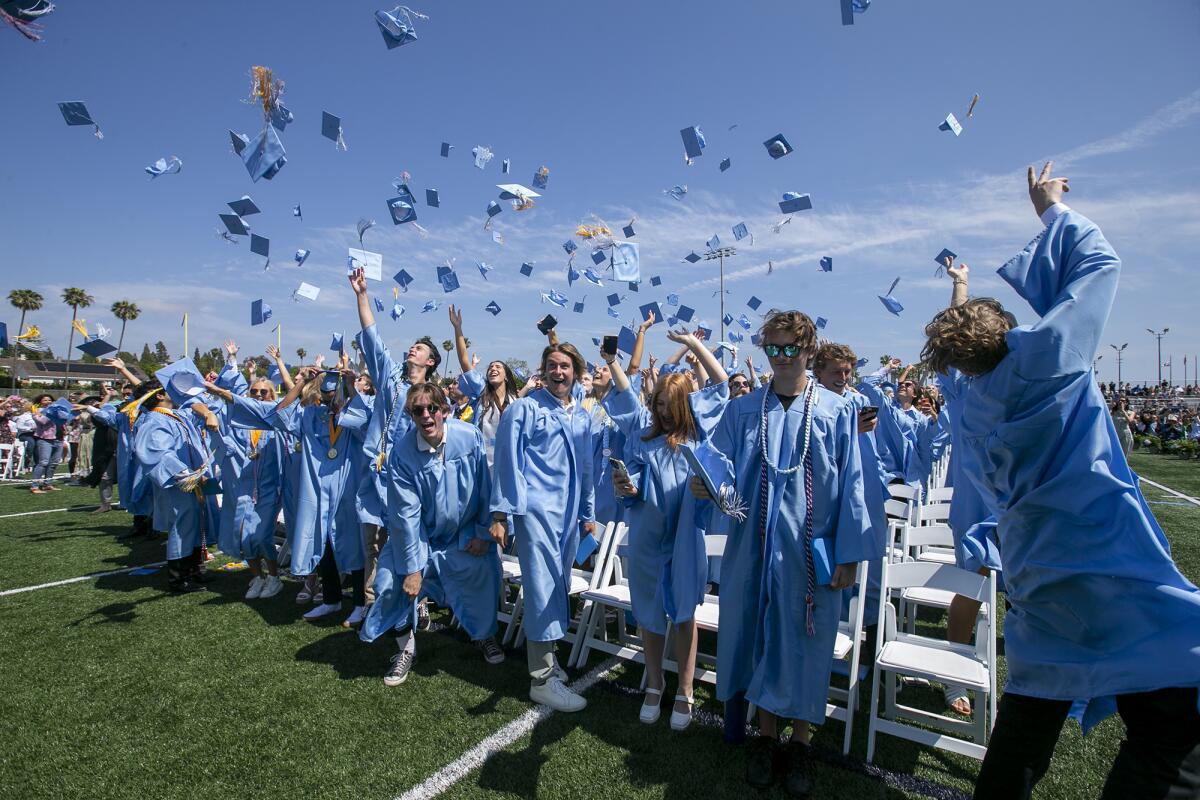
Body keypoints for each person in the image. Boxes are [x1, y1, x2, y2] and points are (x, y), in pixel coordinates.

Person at [922, 162, 1200, 798]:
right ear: (1012, 335)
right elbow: (1100, 267)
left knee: (1030, 710)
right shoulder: (1047, 359)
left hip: (1038, 577)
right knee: (1174, 704)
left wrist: (958, 298)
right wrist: (1050, 209)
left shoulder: (970, 409)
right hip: (1106, 562)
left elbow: (967, 360)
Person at [693, 310, 871, 796]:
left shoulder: (837, 410)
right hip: (753, 547)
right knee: (761, 638)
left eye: (791, 347)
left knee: (806, 644)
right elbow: (721, 467)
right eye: (773, 347)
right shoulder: (744, 408)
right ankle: (766, 737)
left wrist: (850, 554)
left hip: (810, 555)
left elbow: (854, 485)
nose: (782, 356)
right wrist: (709, 487)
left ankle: (800, 742)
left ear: (809, 349)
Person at [606, 328, 730, 731]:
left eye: (668, 405)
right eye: (657, 404)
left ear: (683, 405)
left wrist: (695, 345)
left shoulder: (696, 436)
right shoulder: (643, 439)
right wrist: (627, 485)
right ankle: (655, 684)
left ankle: (686, 689)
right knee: (648, 612)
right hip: (646, 536)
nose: (661, 412)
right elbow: (635, 480)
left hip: (684, 538)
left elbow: (722, 384)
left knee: (683, 614)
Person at [361, 382, 505, 686]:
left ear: (444, 410)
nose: (426, 415)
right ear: (412, 416)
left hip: (463, 532)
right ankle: (406, 649)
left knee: (483, 574)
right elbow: (405, 515)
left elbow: (484, 489)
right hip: (420, 536)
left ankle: (484, 635)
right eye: (418, 410)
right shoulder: (402, 454)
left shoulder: (469, 438)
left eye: (432, 408)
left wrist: (482, 532)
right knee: (391, 581)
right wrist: (413, 567)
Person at [490, 341, 597, 712]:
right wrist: (502, 515)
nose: (558, 371)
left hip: (567, 518)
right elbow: (507, 461)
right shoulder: (525, 409)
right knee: (541, 589)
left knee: (559, 587)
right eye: (551, 365)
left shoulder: (581, 416)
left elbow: (586, 470)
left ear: (576, 371)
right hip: (536, 512)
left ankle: (550, 660)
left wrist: (587, 514)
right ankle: (541, 678)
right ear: (543, 370)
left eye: (565, 366)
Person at [216, 365, 365, 623]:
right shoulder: (313, 416)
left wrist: (351, 386)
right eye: (327, 397)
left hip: (347, 487)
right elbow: (279, 414)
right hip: (317, 488)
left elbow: (367, 422)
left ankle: (362, 604)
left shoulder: (355, 415)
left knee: (354, 545)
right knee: (322, 543)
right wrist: (301, 383)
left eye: (336, 396)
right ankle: (331, 599)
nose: (332, 402)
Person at [347, 267, 441, 624]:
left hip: (411, 480)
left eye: (418, 349)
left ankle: (417, 603)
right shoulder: (389, 382)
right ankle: (373, 605)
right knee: (371, 543)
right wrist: (361, 295)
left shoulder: (433, 396)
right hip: (376, 474)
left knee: (408, 542)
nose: (411, 349)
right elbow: (372, 339)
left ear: (430, 361)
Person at [811, 342, 891, 628]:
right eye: (836, 371)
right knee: (830, 573)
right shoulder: (811, 405)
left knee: (870, 575)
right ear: (818, 371)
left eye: (847, 372)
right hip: (830, 498)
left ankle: (865, 638)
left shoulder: (856, 402)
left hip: (865, 494)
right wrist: (849, 430)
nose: (843, 378)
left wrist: (880, 494)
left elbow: (871, 456)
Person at [208, 343, 286, 601]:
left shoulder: (277, 421)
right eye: (255, 392)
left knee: (261, 535)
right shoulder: (239, 422)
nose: (260, 395)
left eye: (264, 392)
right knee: (243, 536)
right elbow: (223, 436)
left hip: (267, 487)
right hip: (242, 486)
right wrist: (231, 358)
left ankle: (273, 577)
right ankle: (257, 577)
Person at [132, 379, 221, 593]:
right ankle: (178, 578)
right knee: (182, 526)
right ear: (160, 395)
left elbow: (198, 406)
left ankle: (194, 568)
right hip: (177, 484)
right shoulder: (153, 420)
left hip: (192, 481)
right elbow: (157, 453)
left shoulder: (174, 415)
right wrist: (184, 475)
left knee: (194, 523)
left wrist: (208, 413)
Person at [448, 305, 518, 470]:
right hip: (481, 465)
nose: (493, 368)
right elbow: (465, 361)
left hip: (508, 466)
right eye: (490, 367)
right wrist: (458, 328)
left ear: (506, 376)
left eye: (498, 367)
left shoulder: (517, 403)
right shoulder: (481, 392)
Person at [28, 393, 64, 493]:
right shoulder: (37, 411)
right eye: (45, 400)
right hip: (45, 439)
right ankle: (34, 486)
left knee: (54, 463)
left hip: (59, 439)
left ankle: (48, 484)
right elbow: (43, 421)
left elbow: (65, 420)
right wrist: (51, 413)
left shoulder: (56, 410)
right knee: (43, 462)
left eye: (50, 400)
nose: (48, 402)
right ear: (40, 402)